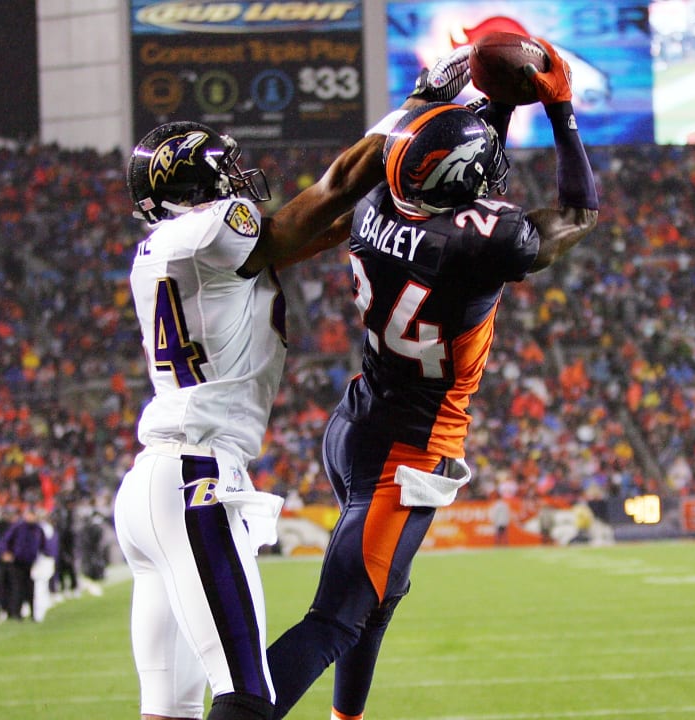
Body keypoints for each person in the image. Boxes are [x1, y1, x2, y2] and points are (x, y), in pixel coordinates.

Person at [111, 51, 469, 720]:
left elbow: (336, 225)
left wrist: (416, 167)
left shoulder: (170, 247)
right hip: (195, 475)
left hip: (152, 483)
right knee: (249, 696)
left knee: (170, 711)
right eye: (225, 171)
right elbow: (329, 197)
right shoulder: (208, 233)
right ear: (196, 184)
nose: (241, 181)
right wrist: (415, 109)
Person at [266, 38, 598, 720]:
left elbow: (455, 173)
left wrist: (484, 105)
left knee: (379, 600)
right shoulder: (484, 243)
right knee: (336, 618)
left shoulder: (376, 205)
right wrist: (561, 111)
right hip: (409, 451)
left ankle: (345, 718)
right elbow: (577, 214)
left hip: (356, 423)